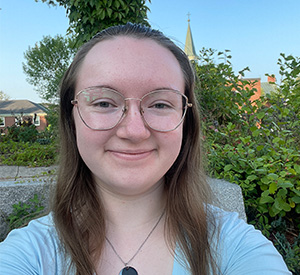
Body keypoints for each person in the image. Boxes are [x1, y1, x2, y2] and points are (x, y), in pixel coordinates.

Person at [0, 23, 291, 275]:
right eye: (103, 103)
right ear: (71, 117)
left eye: (161, 104)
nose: (134, 131)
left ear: (186, 122)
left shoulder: (234, 247)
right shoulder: (29, 255)